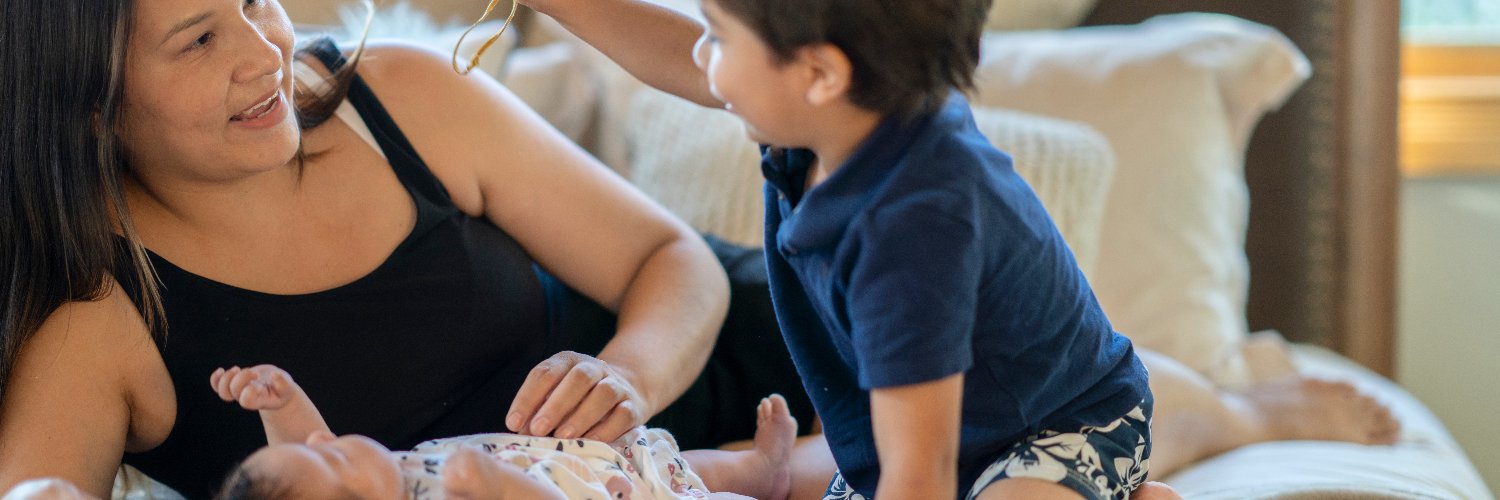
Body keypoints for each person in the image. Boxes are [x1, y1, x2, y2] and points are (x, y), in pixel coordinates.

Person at [0, 0, 814, 496]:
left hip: (766, 364)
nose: (263, 54)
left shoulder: (398, 95)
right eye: (197, 42)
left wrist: (630, 374)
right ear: (91, 104)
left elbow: (671, 258)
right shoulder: (95, 316)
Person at [522, 0, 1156, 498]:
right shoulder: (841, 118)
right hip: (927, 431)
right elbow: (687, 62)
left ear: (820, 73)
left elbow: (920, 474)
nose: (703, 56)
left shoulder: (911, 228)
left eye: (717, 35)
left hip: (1058, 426)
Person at [207, 364, 796, 500]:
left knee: (683, 466)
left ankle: (758, 472)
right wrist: (494, 484)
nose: (321, 442)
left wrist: (278, 403)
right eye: (333, 463)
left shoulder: (389, 475)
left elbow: (301, 451)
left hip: (602, 465)